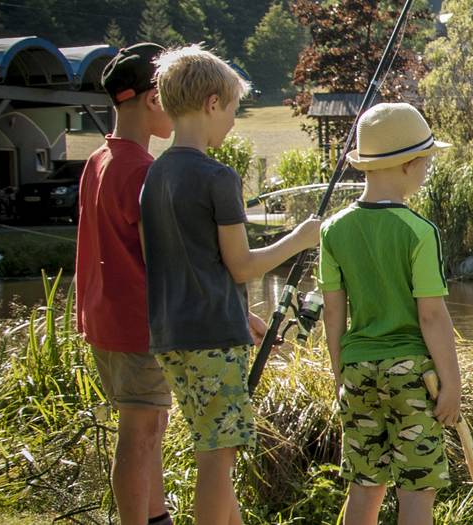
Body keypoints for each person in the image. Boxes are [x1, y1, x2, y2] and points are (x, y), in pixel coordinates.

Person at [139, 44, 320, 525]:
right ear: (212, 103)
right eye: (234, 110)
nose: (233, 123)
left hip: (170, 336)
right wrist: (299, 238)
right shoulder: (218, 177)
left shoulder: (154, 175)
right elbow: (241, 266)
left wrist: (240, 312)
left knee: (211, 451)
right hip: (213, 340)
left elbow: (180, 262)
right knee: (218, 460)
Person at [317, 102, 461, 525]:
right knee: (417, 489)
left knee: (364, 485)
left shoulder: (333, 230)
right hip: (411, 375)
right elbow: (432, 317)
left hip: (357, 369)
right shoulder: (418, 232)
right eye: (426, 162)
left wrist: (340, 369)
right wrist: (451, 383)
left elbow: (332, 312)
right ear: (407, 166)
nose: (427, 170)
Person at [74, 42, 175, 525]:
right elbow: (166, 259)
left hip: (104, 320)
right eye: (173, 93)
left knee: (149, 426)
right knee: (139, 433)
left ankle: (156, 518)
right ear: (153, 99)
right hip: (137, 326)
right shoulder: (141, 170)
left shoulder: (99, 161)